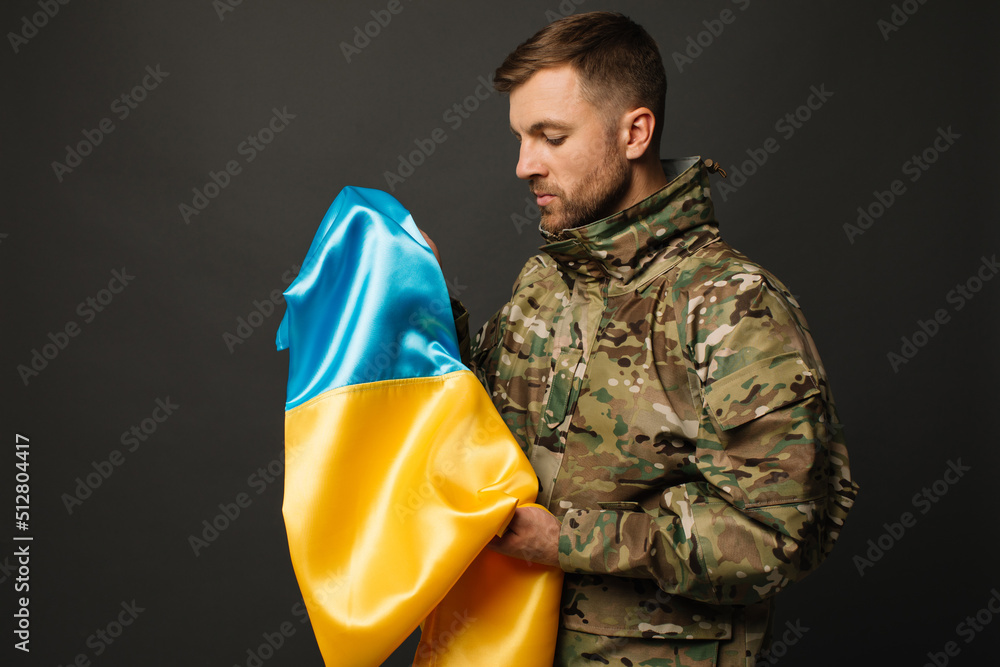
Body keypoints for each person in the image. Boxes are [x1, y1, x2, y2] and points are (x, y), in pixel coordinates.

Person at [437, 11, 858, 666]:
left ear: (635, 132)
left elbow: (780, 535)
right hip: (500, 645)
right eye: (521, 138)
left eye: (550, 136)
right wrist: (420, 306)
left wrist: (570, 539)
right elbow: (482, 433)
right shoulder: (546, 281)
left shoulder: (729, 306)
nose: (524, 165)